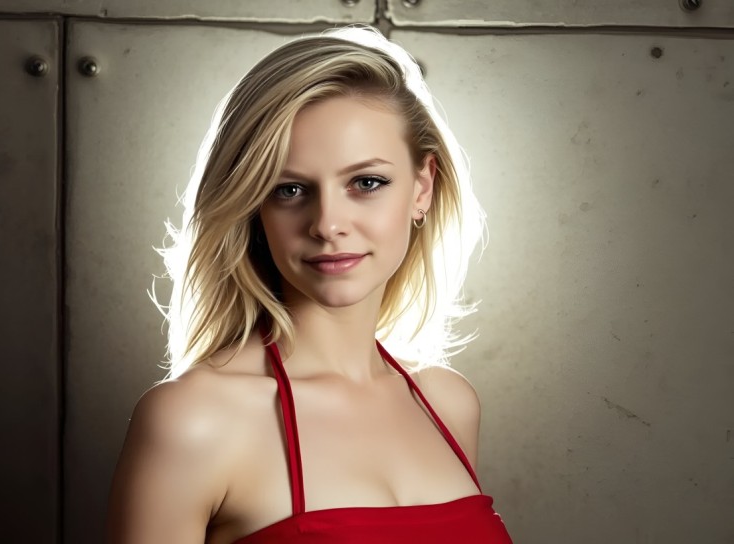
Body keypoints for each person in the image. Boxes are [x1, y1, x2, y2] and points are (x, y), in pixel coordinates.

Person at [106, 25, 513, 544]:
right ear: (254, 207)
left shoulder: (448, 405)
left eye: (366, 183)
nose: (327, 223)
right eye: (290, 189)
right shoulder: (194, 421)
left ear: (422, 187)